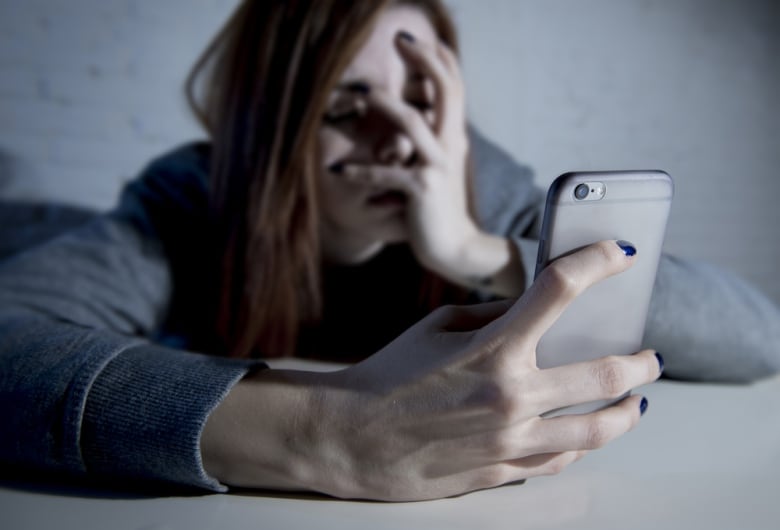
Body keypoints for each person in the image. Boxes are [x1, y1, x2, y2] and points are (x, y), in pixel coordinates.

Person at [0, 0, 777, 502]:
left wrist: (479, 248)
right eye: (347, 107)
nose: (401, 140)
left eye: (424, 100)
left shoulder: (477, 181)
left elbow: (757, 335)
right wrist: (321, 431)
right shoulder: (191, 195)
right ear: (266, 131)